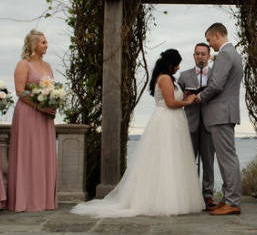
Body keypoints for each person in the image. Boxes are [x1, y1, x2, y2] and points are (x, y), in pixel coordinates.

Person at [71, 49, 205, 218]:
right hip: (167, 121)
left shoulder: (168, 79)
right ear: (171, 64)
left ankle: (166, 196)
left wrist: (182, 96)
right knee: (166, 158)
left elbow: (170, 98)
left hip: (172, 121)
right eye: (177, 64)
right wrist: (188, 100)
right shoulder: (164, 78)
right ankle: (163, 200)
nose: (179, 67)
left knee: (171, 159)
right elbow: (170, 103)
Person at [7, 29, 57, 212]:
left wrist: (53, 104)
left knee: (43, 155)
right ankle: (25, 200)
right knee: (28, 154)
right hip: (28, 113)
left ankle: (43, 200)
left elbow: (52, 89)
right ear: (34, 44)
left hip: (45, 116)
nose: (46, 45)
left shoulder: (48, 66)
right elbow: (20, 91)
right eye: (43, 42)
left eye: (46, 42)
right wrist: (39, 105)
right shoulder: (23, 64)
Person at [196, 23, 243, 215]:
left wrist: (198, 97)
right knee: (227, 159)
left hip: (220, 114)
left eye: (209, 40)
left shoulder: (224, 54)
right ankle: (228, 199)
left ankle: (232, 202)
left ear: (216, 36)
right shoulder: (234, 54)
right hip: (225, 113)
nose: (210, 44)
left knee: (227, 159)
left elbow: (216, 85)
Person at [178, 43, 216, 211]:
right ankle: (189, 195)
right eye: (197, 54)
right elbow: (176, 96)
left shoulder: (216, 74)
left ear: (209, 56)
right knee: (189, 162)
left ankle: (208, 196)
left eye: (203, 54)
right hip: (190, 123)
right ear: (193, 56)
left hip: (210, 123)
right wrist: (184, 95)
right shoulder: (184, 75)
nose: (200, 57)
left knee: (208, 161)